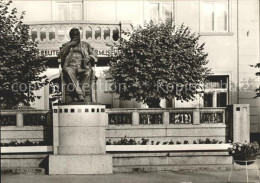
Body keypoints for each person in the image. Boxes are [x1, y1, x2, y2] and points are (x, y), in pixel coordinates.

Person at [60, 28, 97, 102]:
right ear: (70, 36)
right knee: (69, 71)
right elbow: (61, 55)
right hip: (70, 66)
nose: (75, 37)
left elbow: (94, 55)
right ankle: (80, 94)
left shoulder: (86, 45)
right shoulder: (66, 45)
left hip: (83, 66)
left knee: (88, 72)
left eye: (77, 35)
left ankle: (80, 95)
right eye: (73, 35)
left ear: (79, 35)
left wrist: (90, 58)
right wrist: (69, 46)